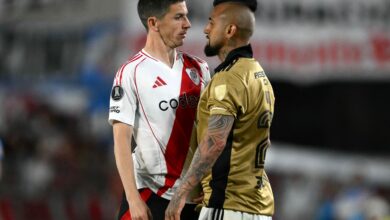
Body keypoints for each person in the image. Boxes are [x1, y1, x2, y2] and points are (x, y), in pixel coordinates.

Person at [165, 0, 275, 219]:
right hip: (256, 206)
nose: (206, 29)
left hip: (229, 206)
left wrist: (181, 192)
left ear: (230, 30)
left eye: (211, 23)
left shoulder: (228, 78)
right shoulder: (258, 75)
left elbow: (215, 141)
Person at [108, 0, 211, 219]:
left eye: (186, 16)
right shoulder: (131, 72)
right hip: (150, 195)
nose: (188, 24)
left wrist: (208, 183)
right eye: (178, 17)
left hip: (192, 199)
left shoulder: (200, 69)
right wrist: (133, 199)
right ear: (154, 23)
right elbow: (121, 142)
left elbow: (210, 134)